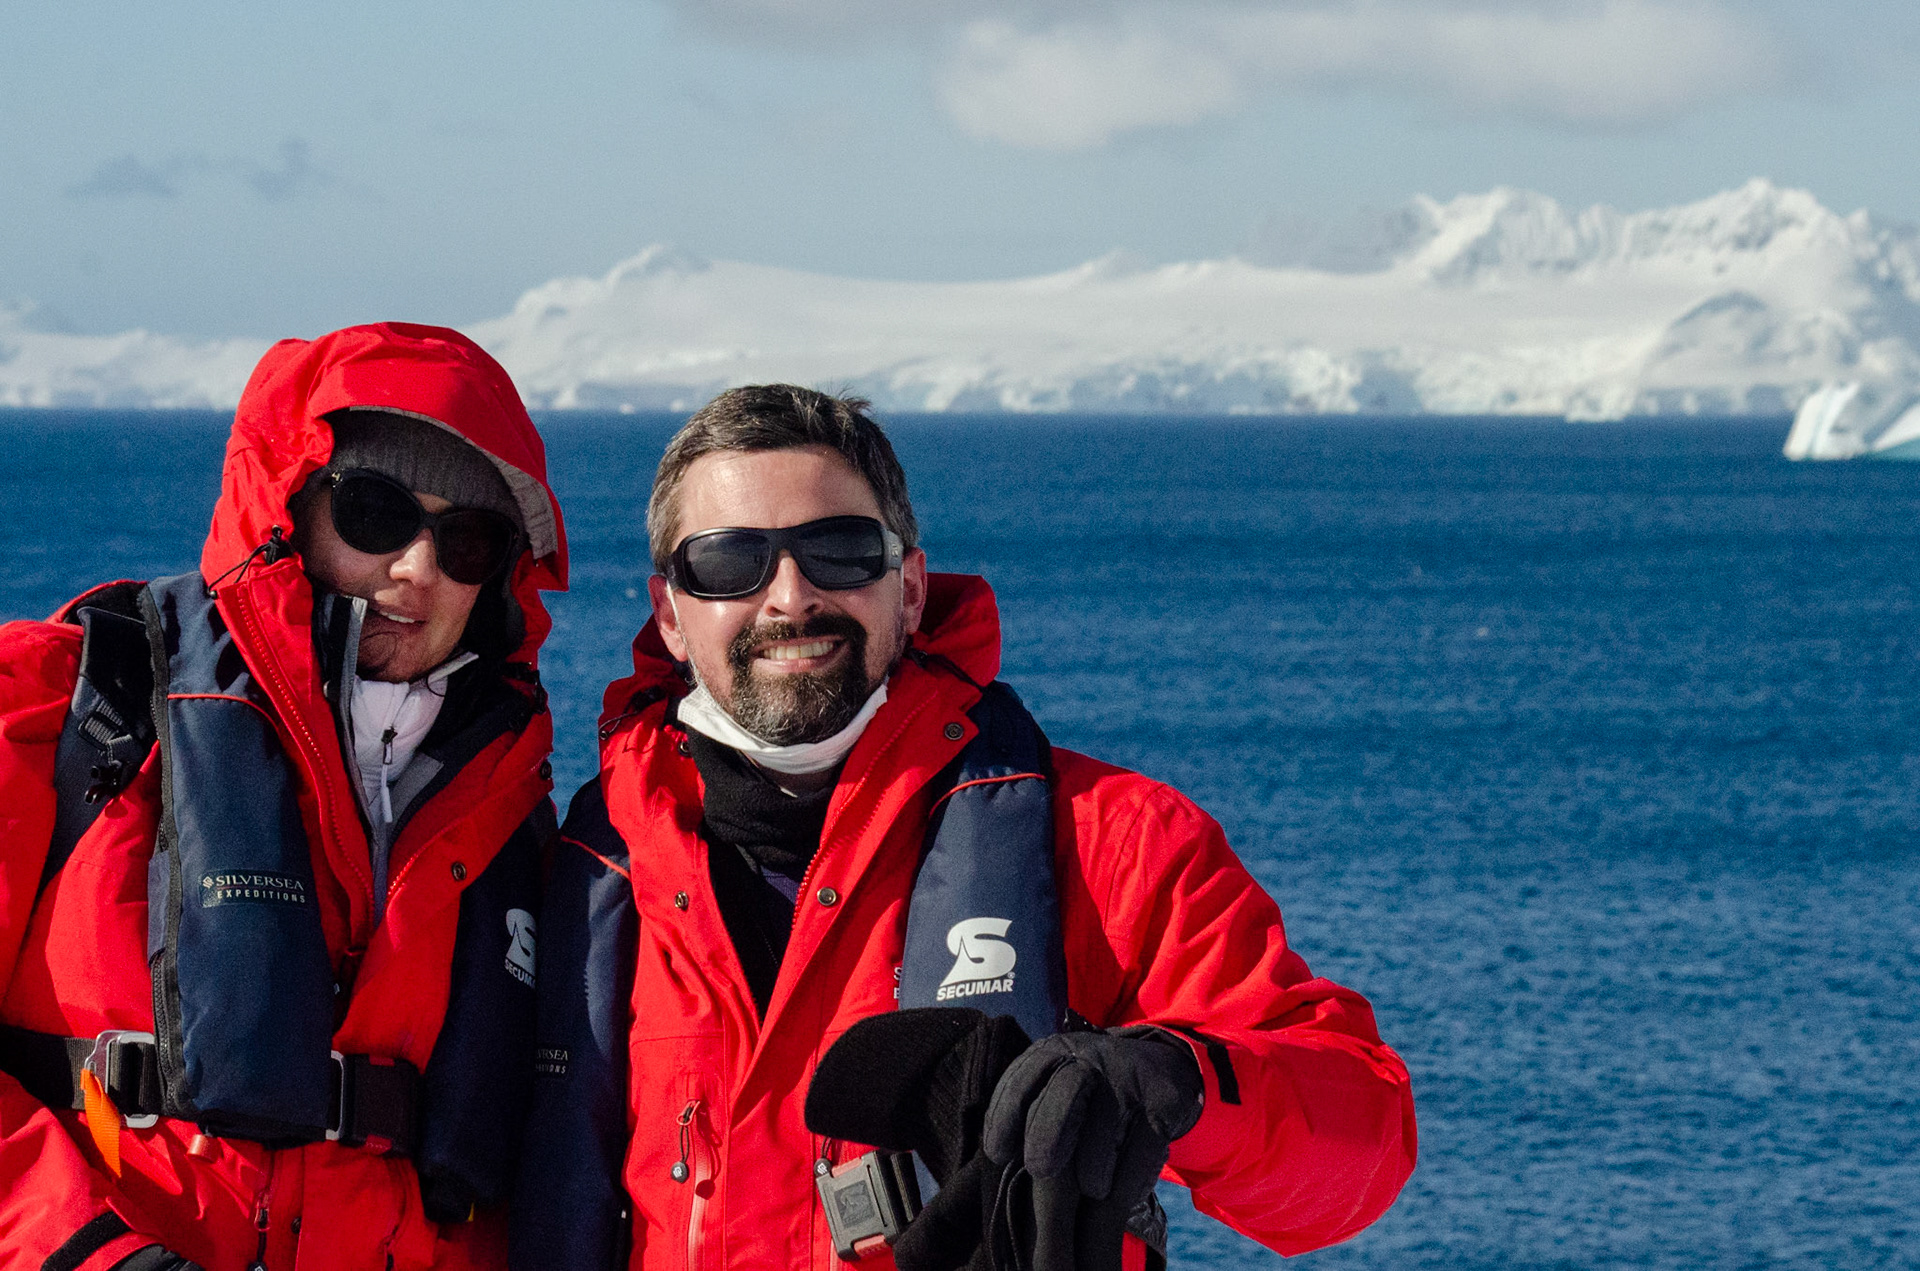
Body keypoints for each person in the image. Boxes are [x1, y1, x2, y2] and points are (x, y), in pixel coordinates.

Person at [514, 385, 1416, 1270]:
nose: (789, 596)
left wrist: (1174, 1081)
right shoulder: (585, 872)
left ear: (908, 588)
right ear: (670, 614)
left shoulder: (1111, 842)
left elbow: (1362, 1156)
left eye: (839, 550)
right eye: (726, 562)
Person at [0, 323, 568, 1271]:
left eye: (468, 540)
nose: (419, 569)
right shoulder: (65, 704)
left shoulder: (517, 815)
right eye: (377, 514)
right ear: (290, 508)